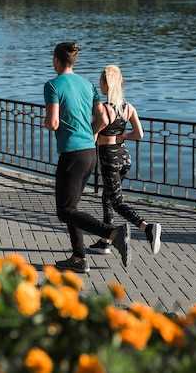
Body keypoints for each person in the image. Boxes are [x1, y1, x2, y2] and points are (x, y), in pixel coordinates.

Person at [44, 42, 131, 274]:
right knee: (71, 207)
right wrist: (89, 132)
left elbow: (52, 123)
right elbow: (103, 117)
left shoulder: (53, 85)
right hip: (90, 152)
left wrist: (49, 123)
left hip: (71, 153)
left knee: (64, 211)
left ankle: (113, 233)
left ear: (56, 60)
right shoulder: (88, 84)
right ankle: (79, 257)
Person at [90, 65, 161, 255]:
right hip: (124, 157)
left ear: (106, 84)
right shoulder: (128, 108)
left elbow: (94, 133)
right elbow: (140, 134)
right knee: (107, 196)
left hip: (109, 158)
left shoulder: (105, 109)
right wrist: (123, 137)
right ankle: (106, 241)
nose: (100, 84)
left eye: (101, 81)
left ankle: (147, 228)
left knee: (117, 201)